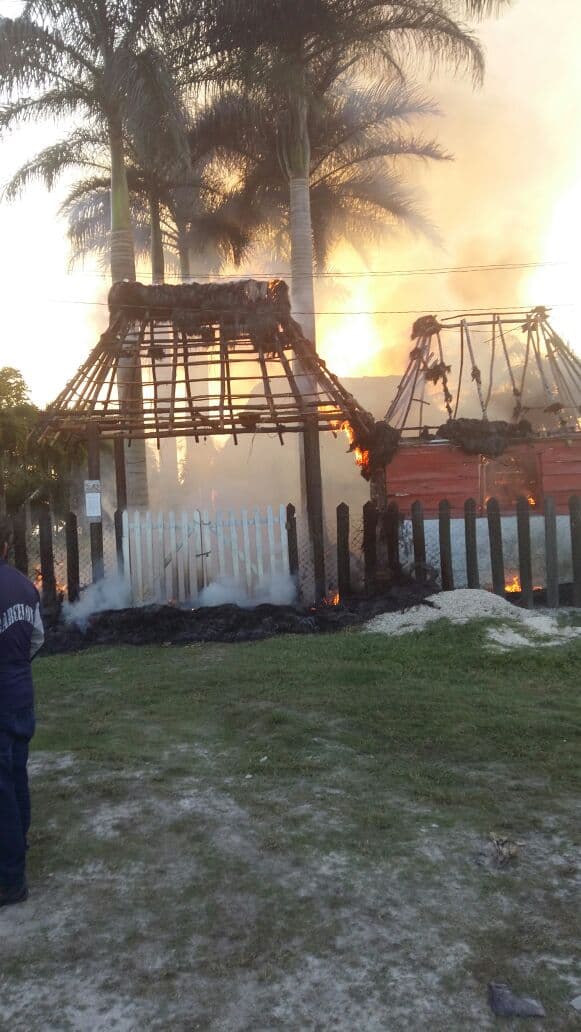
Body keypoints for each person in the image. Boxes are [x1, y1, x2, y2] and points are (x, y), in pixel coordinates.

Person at [0, 518, 44, 907]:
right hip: (21, 697)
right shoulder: (25, 586)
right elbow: (37, 638)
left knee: (2, 791)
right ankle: (20, 844)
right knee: (15, 776)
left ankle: (11, 880)